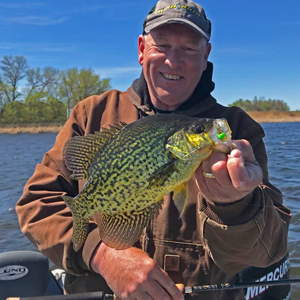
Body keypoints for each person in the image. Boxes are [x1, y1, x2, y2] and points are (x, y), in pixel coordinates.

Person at [16, 0, 292, 299]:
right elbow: (36, 204)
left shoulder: (238, 131)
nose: (173, 61)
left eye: (188, 48)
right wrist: (102, 255)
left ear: (206, 56)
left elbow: (268, 251)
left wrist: (236, 205)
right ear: (141, 49)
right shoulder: (91, 114)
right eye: (162, 45)